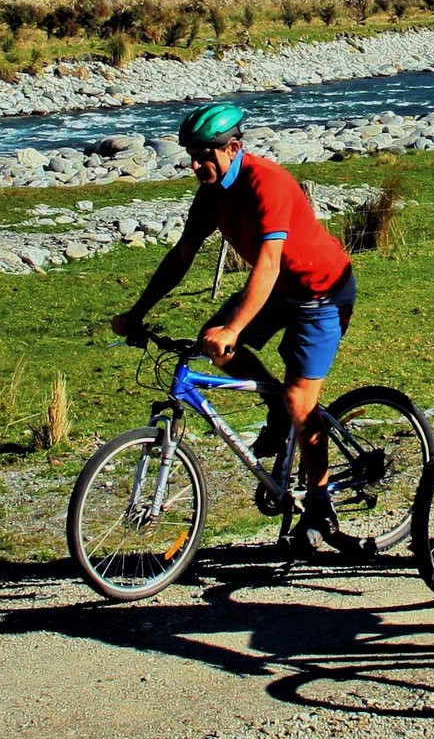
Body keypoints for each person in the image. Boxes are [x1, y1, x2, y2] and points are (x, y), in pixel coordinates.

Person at [113, 101, 356, 536]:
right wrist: (138, 312)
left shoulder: (268, 183)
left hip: (321, 291)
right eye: (190, 153)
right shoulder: (211, 194)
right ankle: (275, 411)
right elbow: (181, 256)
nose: (194, 163)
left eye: (205, 153)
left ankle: (319, 506)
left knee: (301, 400)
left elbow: (267, 265)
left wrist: (235, 327)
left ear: (233, 148)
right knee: (217, 344)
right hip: (279, 290)